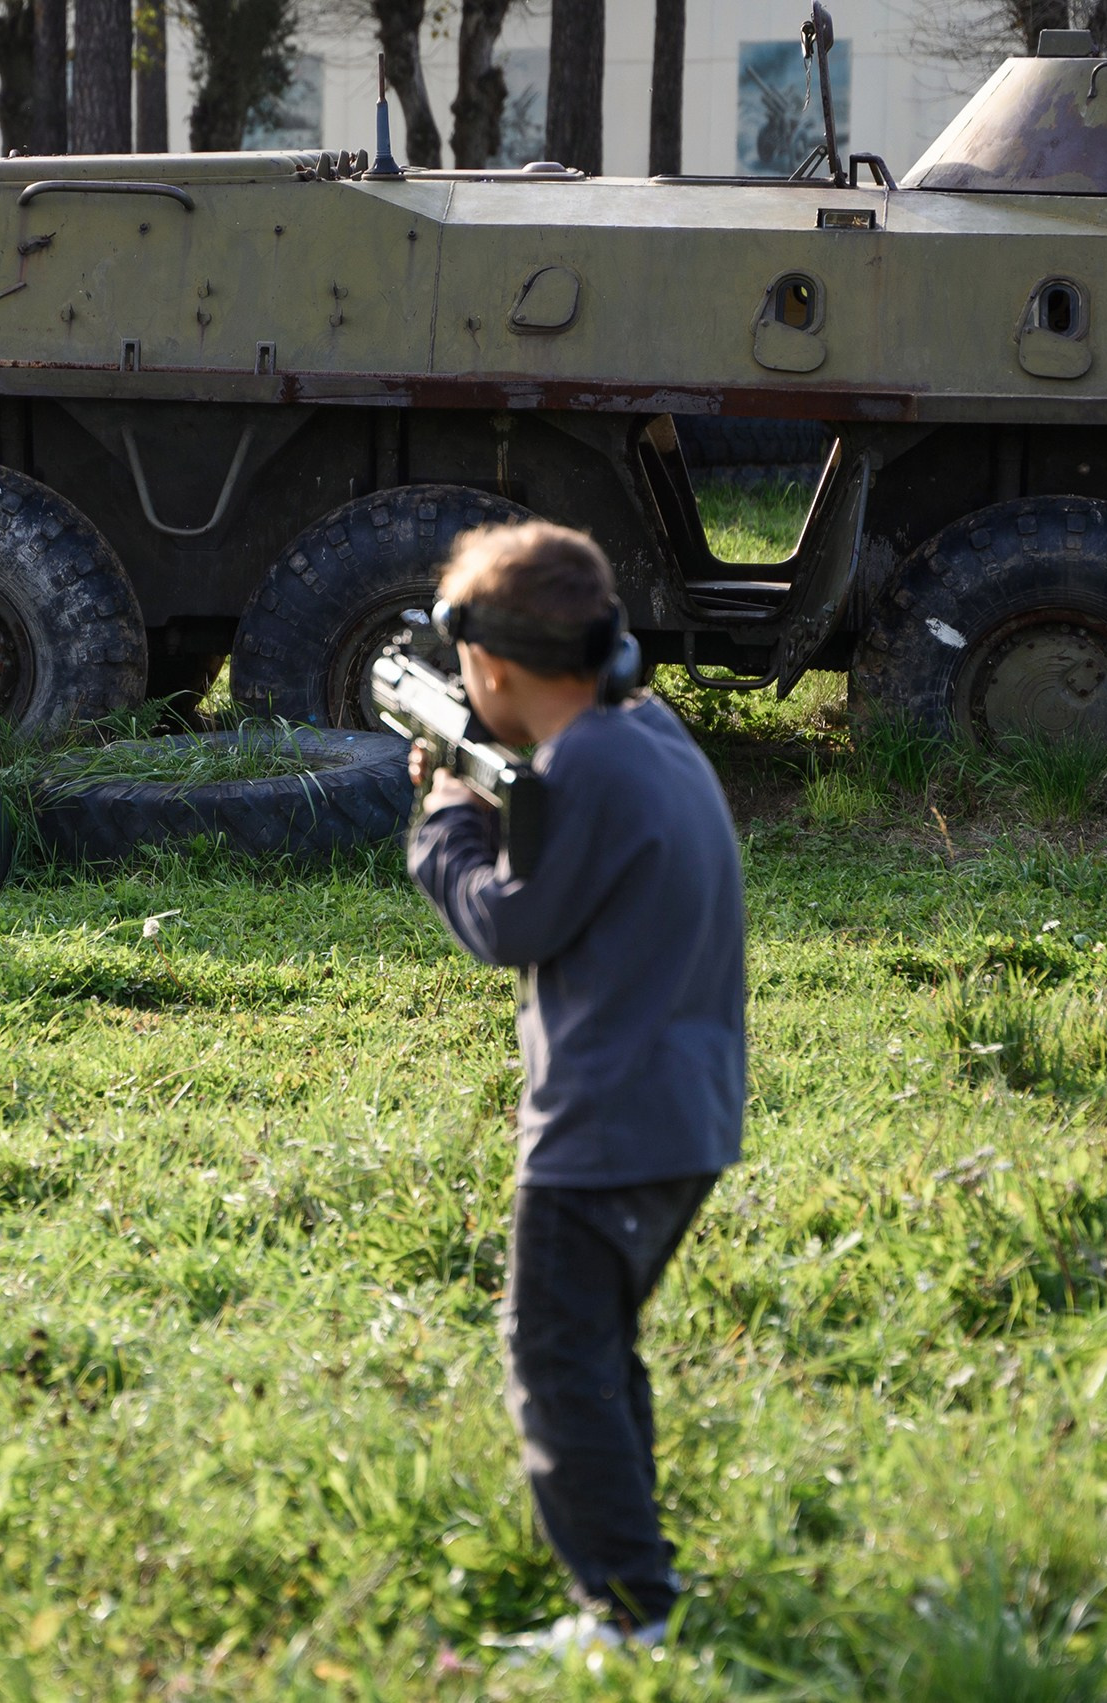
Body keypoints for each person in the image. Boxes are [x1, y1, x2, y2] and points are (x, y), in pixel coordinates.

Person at [404, 521, 746, 1658]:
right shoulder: (641, 732)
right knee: (595, 1351)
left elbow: (512, 920)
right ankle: (639, 1583)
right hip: (680, 1112)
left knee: (553, 1362)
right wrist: (490, 783)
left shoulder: (582, 764)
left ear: (490, 667)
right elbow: (580, 854)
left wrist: (448, 814)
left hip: (602, 1125)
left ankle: (627, 1615)